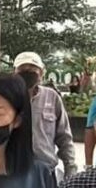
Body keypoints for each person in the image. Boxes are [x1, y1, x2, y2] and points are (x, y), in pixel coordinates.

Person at [13, 52, 78, 180]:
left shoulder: (52, 97)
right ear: (14, 72)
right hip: (13, 172)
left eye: (32, 69)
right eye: (23, 69)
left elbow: (64, 137)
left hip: (45, 172)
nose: (28, 73)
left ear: (42, 72)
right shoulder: (6, 97)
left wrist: (70, 168)